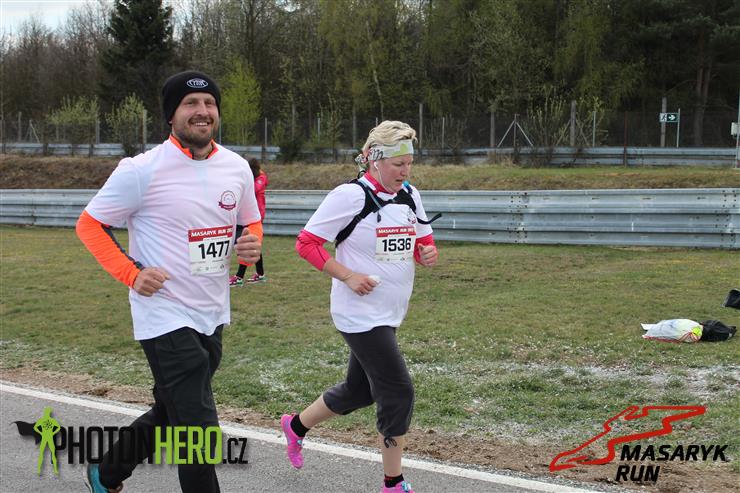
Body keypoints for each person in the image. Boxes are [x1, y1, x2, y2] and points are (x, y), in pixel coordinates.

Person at [76, 70, 262, 493]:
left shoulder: (236, 167)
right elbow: (89, 225)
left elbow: (249, 221)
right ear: (171, 115)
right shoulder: (141, 170)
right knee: (199, 429)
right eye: (190, 104)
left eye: (209, 103)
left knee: (172, 410)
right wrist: (132, 273)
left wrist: (251, 243)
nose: (202, 111)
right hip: (163, 312)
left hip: (212, 310)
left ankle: (106, 473)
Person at [283, 121, 439, 493]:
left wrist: (427, 252)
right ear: (373, 159)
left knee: (359, 391)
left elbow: (422, 242)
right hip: (359, 314)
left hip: (390, 312)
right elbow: (306, 244)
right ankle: (393, 482)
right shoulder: (349, 196)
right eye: (398, 164)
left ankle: (295, 426)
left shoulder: (409, 195)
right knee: (398, 391)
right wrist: (348, 275)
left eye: (409, 163)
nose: (405, 171)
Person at [230, 157, 269, 286]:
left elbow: (253, 189)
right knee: (253, 244)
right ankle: (260, 274)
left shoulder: (260, 179)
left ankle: (239, 277)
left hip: (256, 217)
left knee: (247, 243)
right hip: (250, 215)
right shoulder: (255, 177)